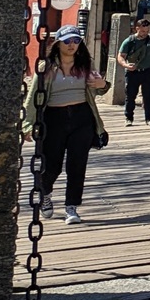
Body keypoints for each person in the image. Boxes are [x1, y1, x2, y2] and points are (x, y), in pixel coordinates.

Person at [28, 25, 109, 225]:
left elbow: (99, 87)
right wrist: (27, 125)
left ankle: (71, 206)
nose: (72, 45)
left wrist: (103, 85)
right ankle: (45, 192)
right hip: (54, 118)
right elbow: (33, 98)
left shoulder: (85, 64)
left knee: (77, 165)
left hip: (81, 117)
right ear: (58, 43)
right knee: (52, 165)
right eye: (67, 41)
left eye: (76, 41)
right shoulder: (46, 67)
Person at [117, 15, 150, 126]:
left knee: (149, 96)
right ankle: (128, 118)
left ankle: (149, 118)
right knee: (130, 96)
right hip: (133, 72)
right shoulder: (129, 41)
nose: (145, 33)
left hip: (148, 71)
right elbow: (121, 56)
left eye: (147, 31)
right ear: (137, 28)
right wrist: (126, 65)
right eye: (142, 31)